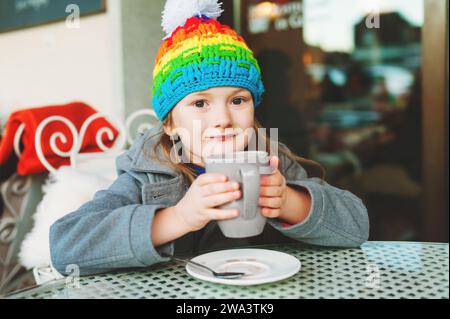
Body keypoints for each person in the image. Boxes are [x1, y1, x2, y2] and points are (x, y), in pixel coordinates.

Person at [49, 0, 369, 276]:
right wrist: (177, 218)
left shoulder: (274, 163)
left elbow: (357, 227)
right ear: (170, 124)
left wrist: (290, 202)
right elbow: (65, 246)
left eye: (238, 100)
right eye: (200, 103)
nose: (222, 120)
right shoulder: (146, 174)